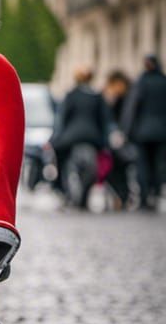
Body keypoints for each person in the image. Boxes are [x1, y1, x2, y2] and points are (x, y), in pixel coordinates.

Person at [50, 67, 111, 209]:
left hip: (71, 138)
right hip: (92, 138)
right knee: (92, 172)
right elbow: (105, 121)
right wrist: (105, 142)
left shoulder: (71, 95)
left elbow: (61, 119)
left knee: (63, 164)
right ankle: (83, 198)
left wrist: (54, 138)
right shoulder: (97, 97)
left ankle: (63, 191)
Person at [122, 54, 166, 211]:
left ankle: (145, 196)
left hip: (142, 132)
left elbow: (132, 108)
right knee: (159, 164)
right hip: (162, 132)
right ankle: (155, 192)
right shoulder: (163, 82)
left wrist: (126, 131)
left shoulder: (141, 82)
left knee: (143, 165)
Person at [103, 69, 134, 209]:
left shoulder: (129, 97)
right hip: (116, 142)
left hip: (126, 141)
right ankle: (122, 196)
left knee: (120, 169)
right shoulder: (114, 98)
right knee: (114, 169)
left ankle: (124, 196)